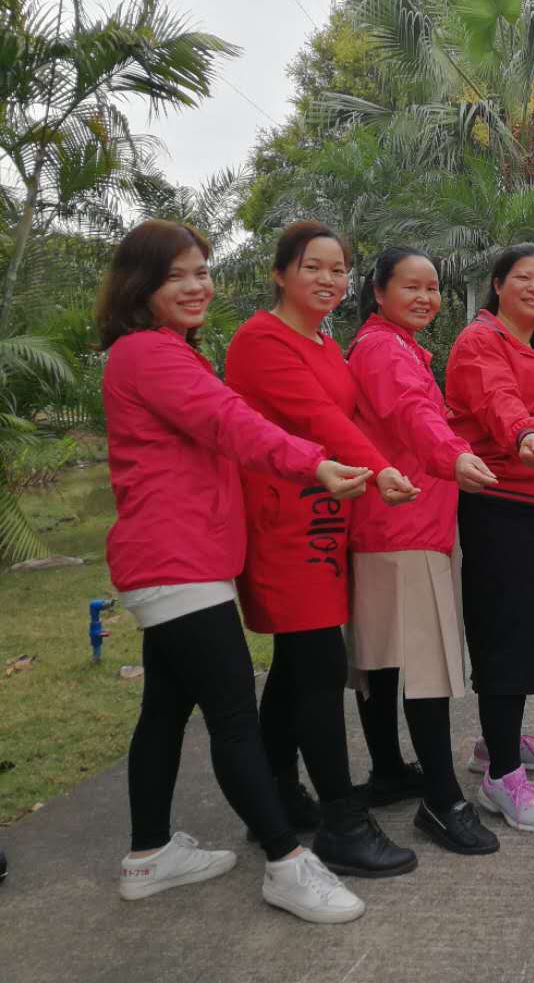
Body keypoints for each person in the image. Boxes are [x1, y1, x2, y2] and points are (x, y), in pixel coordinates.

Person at [101, 219, 366, 923]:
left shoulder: (163, 351)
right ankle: (286, 863)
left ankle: (149, 854)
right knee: (234, 718)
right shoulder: (147, 354)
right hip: (176, 559)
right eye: (177, 276)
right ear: (140, 285)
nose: (197, 287)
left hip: (182, 559)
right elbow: (230, 422)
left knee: (164, 709)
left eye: (202, 272)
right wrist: (313, 462)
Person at [226, 220, 418, 879]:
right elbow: (321, 419)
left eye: (338, 270)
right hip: (284, 525)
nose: (328, 280)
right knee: (319, 665)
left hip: (327, 517)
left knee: (295, 665)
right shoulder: (261, 340)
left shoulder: (326, 342)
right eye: (313, 267)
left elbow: (345, 416)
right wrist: (381, 468)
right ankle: (343, 821)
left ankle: (277, 792)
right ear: (280, 273)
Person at [347, 247, 501, 855]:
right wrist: (453, 456)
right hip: (404, 525)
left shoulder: (394, 346)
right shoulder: (385, 350)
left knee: (383, 656)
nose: (425, 297)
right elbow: (413, 414)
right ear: (379, 292)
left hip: (394, 523)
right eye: (410, 286)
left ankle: (388, 769)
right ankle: (441, 799)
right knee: (425, 662)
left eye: (432, 287)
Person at [446, 243, 534, 833]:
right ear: (498, 284)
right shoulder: (482, 342)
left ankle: (496, 739)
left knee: (525, 629)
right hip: (502, 504)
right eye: (523, 277)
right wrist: (524, 433)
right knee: (505, 632)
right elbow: (497, 397)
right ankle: (501, 775)